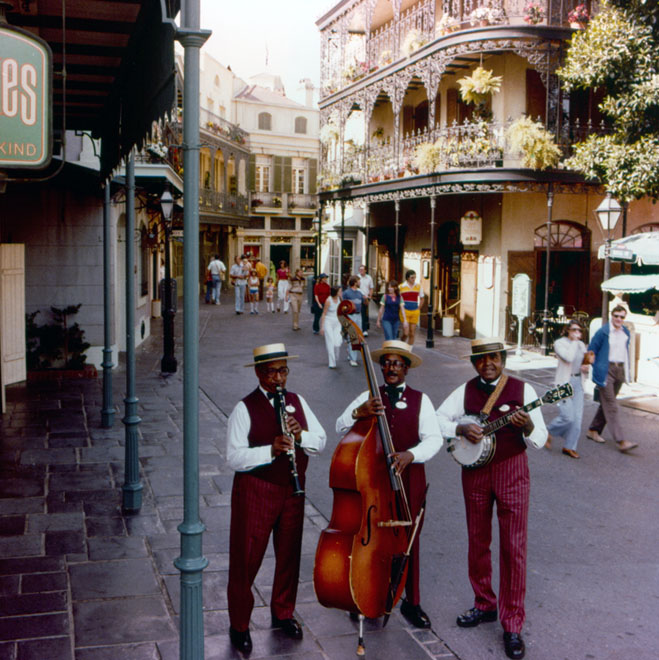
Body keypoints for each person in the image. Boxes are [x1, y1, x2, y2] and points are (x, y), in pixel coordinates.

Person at [436, 338, 548, 660]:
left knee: (514, 547)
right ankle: (484, 603)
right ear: (474, 363)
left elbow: (540, 437)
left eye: (494, 358)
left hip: (512, 470)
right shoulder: (465, 391)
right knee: (477, 539)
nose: (488, 364)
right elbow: (437, 418)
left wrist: (527, 424)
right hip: (475, 473)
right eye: (481, 359)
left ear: (503, 359)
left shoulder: (524, 391)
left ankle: (512, 624)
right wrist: (460, 428)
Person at [226, 343, 327, 653]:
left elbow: (320, 441)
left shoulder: (297, 401)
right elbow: (234, 457)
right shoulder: (244, 408)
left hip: (292, 491)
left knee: (289, 555)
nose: (280, 378)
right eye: (273, 372)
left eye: (284, 371)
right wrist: (270, 450)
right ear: (259, 373)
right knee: (247, 558)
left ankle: (283, 612)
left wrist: (299, 436)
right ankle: (239, 624)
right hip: (257, 490)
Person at [336, 340, 443, 628]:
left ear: (406, 368)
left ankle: (412, 601)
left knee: (408, 540)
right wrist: (359, 412)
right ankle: (366, 593)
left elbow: (434, 439)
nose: (391, 368)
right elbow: (339, 424)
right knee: (372, 541)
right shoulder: (368, 395)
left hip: (408, 477)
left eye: (397, 363)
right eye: (387, 363)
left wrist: (412, 454)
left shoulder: (422, 400)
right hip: (374, 481)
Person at [586, 304, 638, 453]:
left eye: (622, 317)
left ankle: (593, 430)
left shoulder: (625, 332)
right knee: (612, 405)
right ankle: (621, 441)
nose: (619, 319)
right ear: (612, 316)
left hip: (619, 370)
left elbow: (625, 352)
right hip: (605, 370)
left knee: (606, 403)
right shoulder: (603, 332)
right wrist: (590, 367)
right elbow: (591, 350)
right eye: (616, 316)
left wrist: (626, 373)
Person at [545, 320, 589, 459]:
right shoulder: (560, 343)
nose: (577, 333)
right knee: (567, 417)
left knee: (577, 418)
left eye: (580, 331)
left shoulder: (582, 345)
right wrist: (575, 342)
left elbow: (585, 362)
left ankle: (569, 446)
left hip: (578, 382)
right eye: (574, 330)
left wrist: (586, 368)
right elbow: (568, 357)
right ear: (568, 330)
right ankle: (549, 431)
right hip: (564, 383)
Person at [342, 275, 364, 366]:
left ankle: (350, 352)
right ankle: (353, 359)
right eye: (358, 281)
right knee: (353, 336)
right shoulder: (346, 293)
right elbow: (343, 305)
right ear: (355, 282)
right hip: (350, 316)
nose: (360, 283)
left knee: (358, 336)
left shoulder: (360, 293)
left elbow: (363, 303)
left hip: (359, 315)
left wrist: (366, 299)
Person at [319, 285, 342, 369]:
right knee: (330, 341)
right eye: (340, 291)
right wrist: (322, 327)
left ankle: (336, 357)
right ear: (336, 292)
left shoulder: (340, 299)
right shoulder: (328, 300)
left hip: (337, 322)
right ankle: (332, 363)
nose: (341, 292)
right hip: (328, 321)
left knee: (337, 342)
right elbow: (324, 313)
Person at [400, 270, 424, 346]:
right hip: (405, 311)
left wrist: (418, 308)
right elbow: (398, 299)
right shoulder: (401, 287)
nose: (413, 279)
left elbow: (422, 298)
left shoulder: (418, 286)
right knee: (406, 333)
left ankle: (408, 350)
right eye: (412, 278)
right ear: (407, 278)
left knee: (412, 333)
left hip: (414, 311)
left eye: (414, 278)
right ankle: (402, 343)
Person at [357, 264, 374, 336]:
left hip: (366, 298)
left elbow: (371, 288)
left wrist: (370, 297)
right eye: (360, 269)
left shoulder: (369, 278)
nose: (361, 271)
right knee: (358, 314)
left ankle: (364, 330)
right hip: (358, 298)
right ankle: (358, 329)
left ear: (365, 270)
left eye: (362, 269)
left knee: (364, 314)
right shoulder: (357, 277)